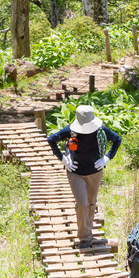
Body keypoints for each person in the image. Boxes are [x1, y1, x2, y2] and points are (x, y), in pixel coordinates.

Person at [47, 105, 122, 248]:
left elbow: (117, 140)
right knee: (82, 204)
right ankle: (85, 237)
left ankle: (87, 229)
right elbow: (51, 140)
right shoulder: (71, 131)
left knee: (91, 202)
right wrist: (64, 159)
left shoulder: (101, 129)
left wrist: (107, 158)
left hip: (95, 171)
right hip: (75, 172)